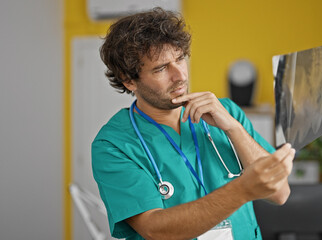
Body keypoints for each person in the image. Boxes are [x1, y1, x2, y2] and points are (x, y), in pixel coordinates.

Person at [92, 7, 295, 240]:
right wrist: (241, 191)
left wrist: (233, 128)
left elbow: (280, 193)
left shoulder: (226, 112)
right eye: (160, 68)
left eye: (180, 59)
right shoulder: (114, 144)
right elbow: (154, 229)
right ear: (129, 81)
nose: (179, 76)